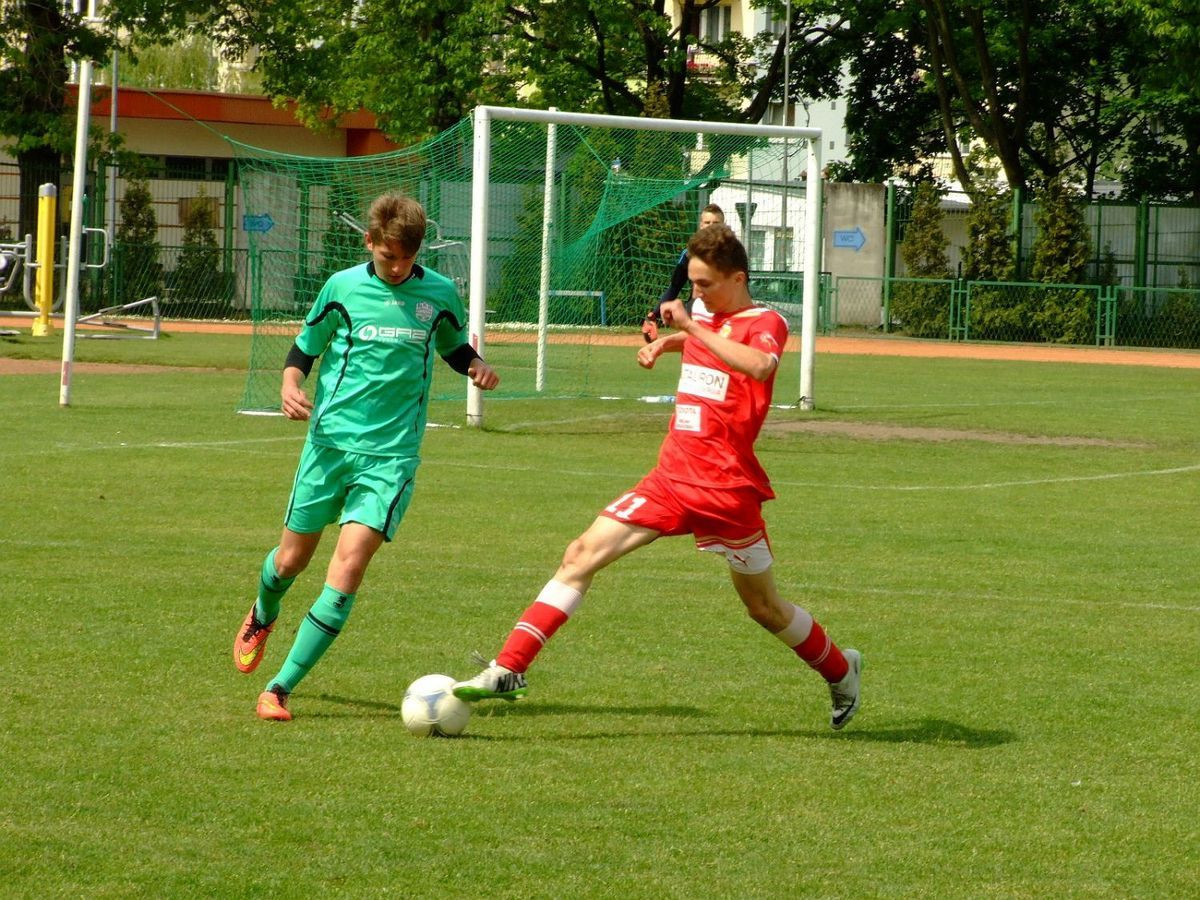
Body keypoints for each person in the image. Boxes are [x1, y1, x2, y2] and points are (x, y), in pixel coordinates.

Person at [454, 225, 862, 730]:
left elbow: (758, 365)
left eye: (706, 284)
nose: (697, 293)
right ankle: (509, 668)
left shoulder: (766, 321)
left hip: (727, 489)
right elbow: (703, 337)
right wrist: (666, 345)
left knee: (764, 608)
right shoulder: (706, 318)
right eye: (692, 284)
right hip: (671, 479)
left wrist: (689, 327)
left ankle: (842, 671)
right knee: (580, 554)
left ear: (738, 278)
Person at [233, 192, 500, 722]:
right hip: (329, 447)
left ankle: (279, 688)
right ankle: (264, 610)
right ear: (369, 242)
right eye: (388, 256)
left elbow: (452, 345)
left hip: (391, 458)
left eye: (407, 257)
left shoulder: (439, 293)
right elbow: (304, 349)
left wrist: (476, 365)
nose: (398, 267)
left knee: (349, 565)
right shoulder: (341, 288)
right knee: (289, 562)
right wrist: (289, 385)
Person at [641, 203, 725, 343]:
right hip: (696, 316)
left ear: (723, 226)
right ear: (701, 226)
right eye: (707, 222)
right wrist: (653, 316)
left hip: (724, 318)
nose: (711, 227)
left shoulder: (734, 255)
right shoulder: (689, 255)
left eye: (716, 223)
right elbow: (675, 287)